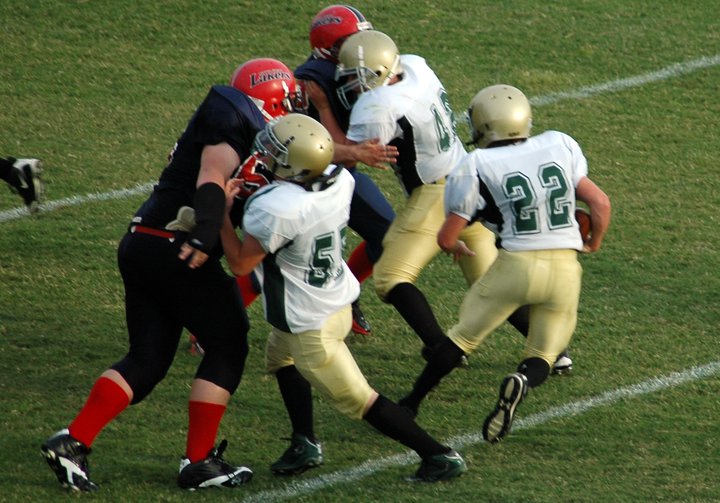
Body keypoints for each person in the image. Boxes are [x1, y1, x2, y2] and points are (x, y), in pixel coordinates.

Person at [40, 58, 300, 492]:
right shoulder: (230, 124)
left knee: (147, 359)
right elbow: (212, 175)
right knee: (229, 342)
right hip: (177, 247)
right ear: (270, 101)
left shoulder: (234, 124)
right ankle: (197, 462)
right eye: (287, 101)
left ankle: (72, 441)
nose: (292, 109)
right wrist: (206, 230)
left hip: (143, 242)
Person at [219, 113, 466, 482]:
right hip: (335, 298)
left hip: (309, 322)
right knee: (280, 359)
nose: (267, 156)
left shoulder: (278, 207)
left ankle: (438, 455)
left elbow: (240, 264)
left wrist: (221, 214)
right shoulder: (340, 179)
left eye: (276, 153)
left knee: (361, 400)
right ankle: (304, 441)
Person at [336, 29, 574, 373]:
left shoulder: (377, 105)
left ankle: (439, 346)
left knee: (390, 276)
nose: (351, 85)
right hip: (469, 179)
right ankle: (555, 352)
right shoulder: (416, 66)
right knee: (490, 283)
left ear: (377, 72)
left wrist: (324, 107)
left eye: (355, 77)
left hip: (436, 194)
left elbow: (348, 155)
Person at [398, 84, 611, 443]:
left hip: (516, 265)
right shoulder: (559, 143)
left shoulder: (475, 164)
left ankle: (411, 403)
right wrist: (593, 241)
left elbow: (447, 237)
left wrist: (455, 247)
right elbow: (600, 203)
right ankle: (523, 379)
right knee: (544, 354)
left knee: (461, 339)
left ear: (482, 124)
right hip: (565, 269)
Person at [295, 4, 398, 337]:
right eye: (352, 40)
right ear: (331, 47)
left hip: (340, 173)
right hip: (302, 180)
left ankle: (347, 296)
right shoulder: (314, 80)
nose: (362, 46)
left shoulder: (346, 68)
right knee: (274, 256)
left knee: (389, 236)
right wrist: (327, 111)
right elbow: (332, 151)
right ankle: (209, 329)